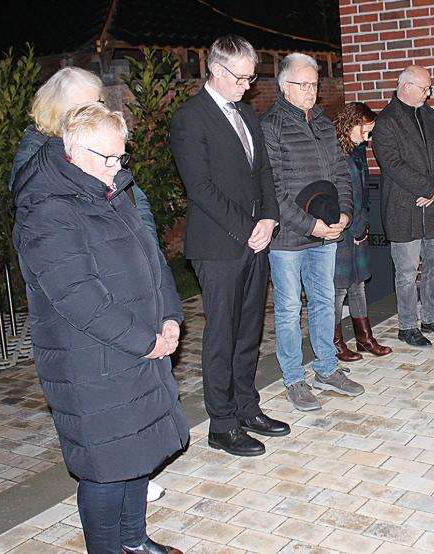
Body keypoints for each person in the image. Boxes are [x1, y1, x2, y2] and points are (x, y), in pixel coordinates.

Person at [12, 103, 187, 554]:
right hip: (92, 362)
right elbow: (79, 298)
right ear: (73, 151)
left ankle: (133, 542)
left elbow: (153, 260)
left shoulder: (111, 190)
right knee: (106, 468)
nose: (116, 167)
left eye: (121, 157)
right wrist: (145, 340)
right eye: (106, 158)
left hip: (137, 352)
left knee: (137, 455)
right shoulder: (46, 210)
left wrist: (170, 317)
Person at [170, 35, 288, 456]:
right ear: (217, 71)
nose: (248, 85)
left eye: (252, 76)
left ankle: (246, 406)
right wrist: (248, 228)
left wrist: (269, 219)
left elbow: (265, 175)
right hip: (219, 246)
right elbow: (199, 188)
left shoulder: (248, 115)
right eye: (241, 77)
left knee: (249, 332)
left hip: (255, 239)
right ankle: (221, 424)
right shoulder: (191, 118)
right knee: (222, 335)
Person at [261, 53, 365, 411]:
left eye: (314, 84)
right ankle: (293, 379)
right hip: (289, 239)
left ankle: (326, 369)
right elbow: (272, 190)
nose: (310, 91)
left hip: (328, 232)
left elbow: (342, 172)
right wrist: (311, 225)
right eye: (302, 85)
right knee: (289, 309)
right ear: (283, 86)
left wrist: (345, 214)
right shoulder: (270, 126)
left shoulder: (323, 124)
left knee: (324, 301)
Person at [9, 67, 158, 241]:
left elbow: (134, 199)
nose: (99, 113)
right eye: (87, 108)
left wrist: (149, 246)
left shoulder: (100, 141)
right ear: (60, 111)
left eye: (99, 103)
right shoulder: (34, 156)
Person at [372, 65, 434, 348]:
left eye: (429, 88)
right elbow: (392, 164)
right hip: (403, 207)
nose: (429, 93)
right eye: (425, 88)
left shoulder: (431, 116)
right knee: (406, 272)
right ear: (406, 86)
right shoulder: (386, 121)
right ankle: (407, 326)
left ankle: (431, 318)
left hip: (432, 205)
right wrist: (428, 187)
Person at [331, 102, 393, 361]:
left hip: (358, 226)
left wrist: (363, 225)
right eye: (365, 131)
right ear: (350, 125)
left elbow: (363, 193)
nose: (368, 138)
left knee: (357, 285)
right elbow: (343, 195)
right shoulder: (335, 154)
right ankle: (334, 342)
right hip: (341, 230)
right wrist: (353, 226)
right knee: (338, 289)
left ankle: (364, 339)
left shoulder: (356, 151)